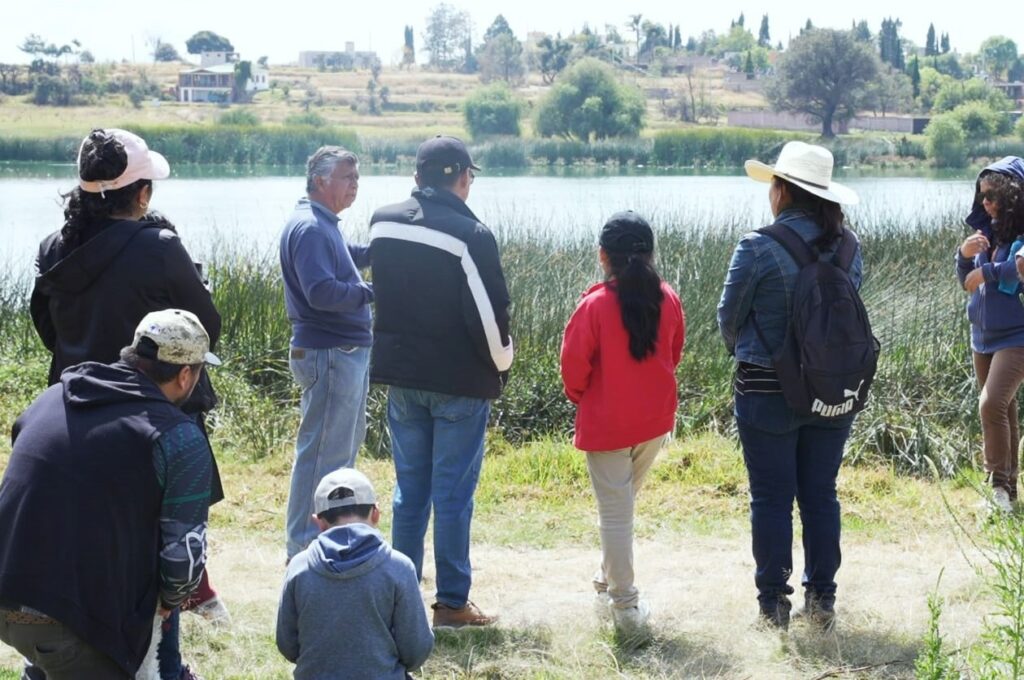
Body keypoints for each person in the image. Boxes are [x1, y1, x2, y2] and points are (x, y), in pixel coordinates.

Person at [27, 128, 228, 678]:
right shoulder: (158, 247)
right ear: (140, 193)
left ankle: (51, 660)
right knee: (157, 537)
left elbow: (46, 327)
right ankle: (164, 662)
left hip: (72, 408)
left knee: (79, 533)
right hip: (150, 410)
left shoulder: (53, 248)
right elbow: (204, 328)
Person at [0, 309, 219, 679]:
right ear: (185, 375)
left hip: (9, 588)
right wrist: (171, 599)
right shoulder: (178, 437)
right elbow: (182, 560)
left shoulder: (52, 396)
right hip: (71, 618)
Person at [717, 141, 863, 630]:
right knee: (820, 493)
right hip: (833, 389)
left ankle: (773, 605)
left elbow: (728, 318)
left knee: (771, 498)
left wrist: (747, 352)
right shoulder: (849, 246)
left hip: (765, 389)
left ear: (781, 190)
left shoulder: (757, 246)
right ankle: (821, 599)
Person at [369, 135, 512, 628]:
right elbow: (491, 314)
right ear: (464, 178)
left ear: (417, 177)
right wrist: (502, 364)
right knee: (452, 495)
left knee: (409, 491)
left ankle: (401, 597)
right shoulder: (471, 235)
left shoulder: (382, 222)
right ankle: (451, 603)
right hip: (458, 382)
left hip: (401, 378)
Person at [560, 211, 685, 636]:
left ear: (603, 256)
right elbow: (674, 353)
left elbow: (573, 370)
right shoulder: (668, 297)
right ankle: (605, 583)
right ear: (650, 254)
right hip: (654, 422)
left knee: (616, 514)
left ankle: (625, 607)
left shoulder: (593, 305)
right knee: (622, 507)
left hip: (607, 424)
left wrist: (585, 398)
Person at [279, 146, 373, 561]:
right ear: (320, 181)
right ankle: (303, 547)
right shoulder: (312, 228)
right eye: (347, 177)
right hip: (330, 352)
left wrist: (383, 252)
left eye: (357, 177)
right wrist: (372, 293)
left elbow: (344, 260)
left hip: (339, 353)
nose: (355, 184)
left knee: (337, 453)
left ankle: (326, 539)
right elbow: (320, 292)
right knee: (322, 456)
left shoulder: (321, 224)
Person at [276, 468, 434, 679]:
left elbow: (287, 644)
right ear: (376, 513)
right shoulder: (399, 567)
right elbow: (416, 651)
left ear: (319, 522)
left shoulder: (298, 567)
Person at [957, 156, 1024, 513]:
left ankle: (997, 487)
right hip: (982, 336)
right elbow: (966, 281)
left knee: (991, 403)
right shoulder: (987, 231)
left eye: (992, 195)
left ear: (1011, 195)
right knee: (1004, 409)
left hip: (1017, 335)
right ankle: (1008, 492)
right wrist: (963, 255)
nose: (985, 202)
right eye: (982, 195)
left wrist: (988, 273)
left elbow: (1018, 269)